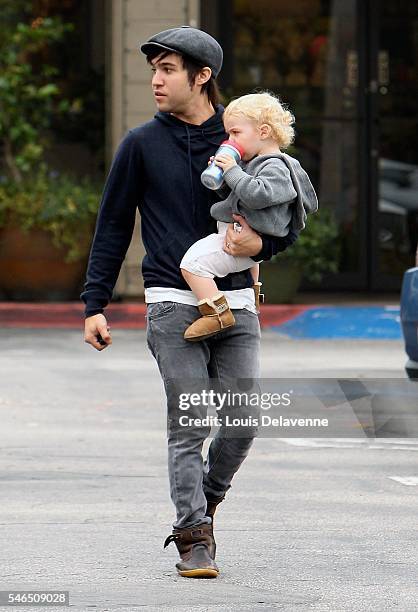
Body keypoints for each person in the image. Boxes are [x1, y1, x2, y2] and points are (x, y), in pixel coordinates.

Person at [81, 26, 298, 579]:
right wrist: (94, 303)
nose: (156, 79)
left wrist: (266, 245)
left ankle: (204, 500)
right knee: (190, 420)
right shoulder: (140, 144)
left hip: (238, 303)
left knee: (242, 420)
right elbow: (112, 225)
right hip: (172, 303)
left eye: (169, 69)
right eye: (155, 68)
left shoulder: (242, 139)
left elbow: (283, 212)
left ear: (202, 77)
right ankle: (194, 536)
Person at [180, 92, 318, 342]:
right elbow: (239, 194)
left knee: (192, 264)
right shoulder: (256, 164)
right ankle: (254, 296)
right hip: (244, 240)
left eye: (235, 133)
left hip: (241, 241)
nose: (229, 140)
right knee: (249, 267)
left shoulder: (275, 167)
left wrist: (233, 171)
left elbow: (257, 195)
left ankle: (215, 313)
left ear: (263, 132)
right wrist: (222, 179)